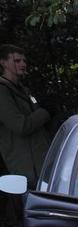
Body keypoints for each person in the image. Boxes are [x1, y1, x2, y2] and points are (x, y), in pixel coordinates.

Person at [0, 44, 53, 186]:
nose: (23, 64)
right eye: (17, 61)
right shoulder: (2, 90)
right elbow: (20, 126)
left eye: (24, 61)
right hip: (26, 170)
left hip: (40, 164)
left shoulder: (23, 89)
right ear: (3, 63)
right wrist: (44, 112)